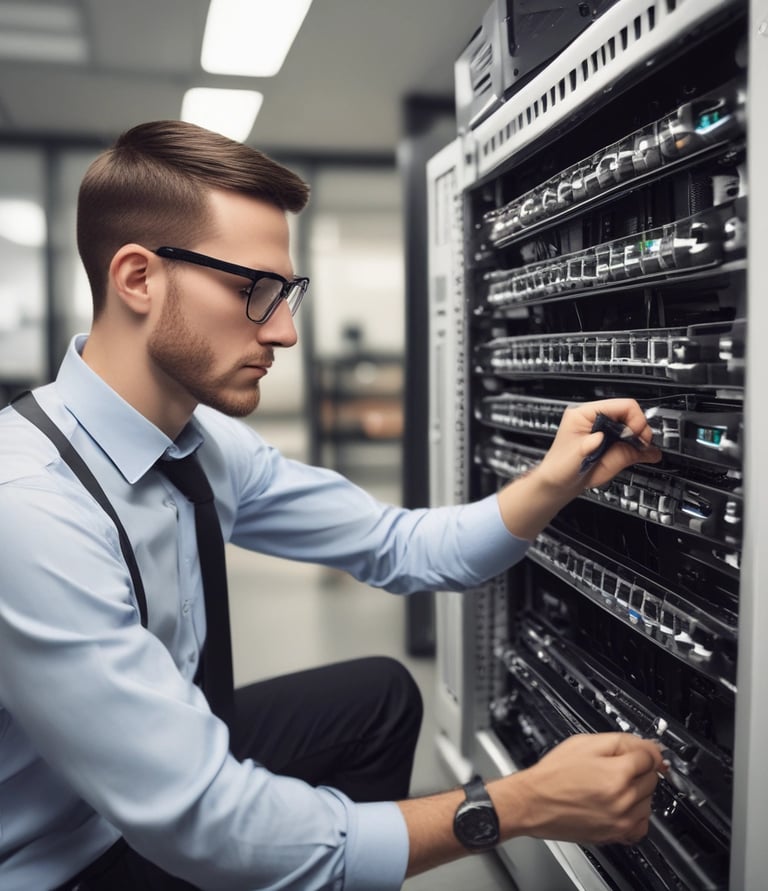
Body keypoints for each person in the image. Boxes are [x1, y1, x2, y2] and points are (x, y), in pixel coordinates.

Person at [0, 120, 666, 891]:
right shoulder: (30, 509)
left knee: (377, 699)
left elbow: (404, 546)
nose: (283, 330)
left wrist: (558, 476)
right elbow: (205, 821)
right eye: (255, 291)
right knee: (237, 824)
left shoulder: (199, 445)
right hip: (66, 861)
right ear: (139, 278)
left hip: (135, 783)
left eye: (288, 293)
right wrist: (514, 804)